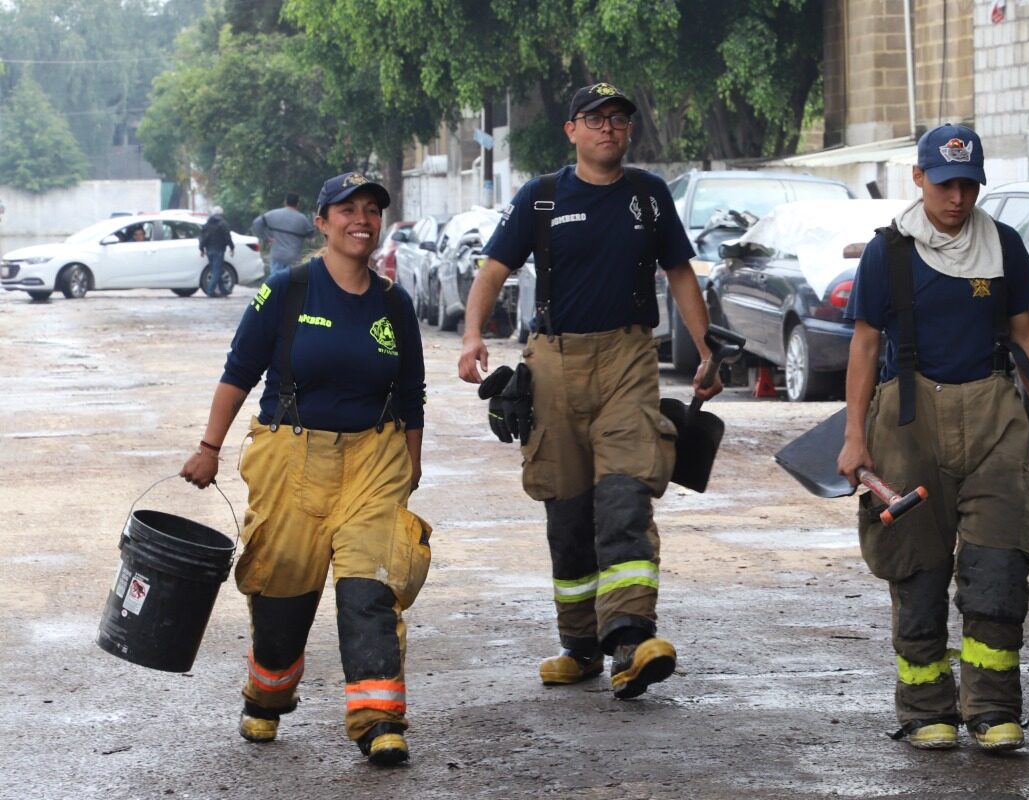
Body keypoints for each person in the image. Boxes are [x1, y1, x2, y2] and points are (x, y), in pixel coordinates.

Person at [457, 82, 719, 700]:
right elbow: (493, 269)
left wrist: (706, 349)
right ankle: (579, 648)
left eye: (619, 119)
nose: (609, 128)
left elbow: (680, 272)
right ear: (572, 130)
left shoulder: (649, 195)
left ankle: (630, 640)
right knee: (568, 511)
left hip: (629, 358)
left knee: (626, 495)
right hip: (554, 363)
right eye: (595, 119)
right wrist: (471, 335)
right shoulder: (542, 197)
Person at [179, 172, 428, 766]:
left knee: (372, 586)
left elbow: (412, 392)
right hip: (291, 456)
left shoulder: (394, 303)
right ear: (321, 222)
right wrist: (209, 446)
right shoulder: (287, 290)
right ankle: (266, 696)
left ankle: (379, 720)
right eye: (347, 210)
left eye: (371, 210)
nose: (361, 220)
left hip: (374, 460)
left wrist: (411, 463)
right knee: (281, 596)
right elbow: (239, 373)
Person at [835, 124, 1029, 752]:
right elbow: (864, 346)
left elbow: (1025, 335)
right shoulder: (889, 251)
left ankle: (993, 708)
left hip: (994, 418)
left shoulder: (1003, 245)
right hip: (909, 422)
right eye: (944, 184)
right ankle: (925, 708)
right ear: (918, 178)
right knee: (917, 567)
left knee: (999, 566)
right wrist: (854, 436)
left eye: (968, 185)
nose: (957, 198)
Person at [252, 194, 316, 276]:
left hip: (277, 256)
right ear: (298, 204)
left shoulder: (273, 214)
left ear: (285, 202)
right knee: (291, 282)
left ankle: (269, 286)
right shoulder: (302, 219)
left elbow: (256, 223)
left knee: (274, 280)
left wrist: (266, 238)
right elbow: (311, 235)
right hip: (294, 258)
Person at [199, 210, 234, 296]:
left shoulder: (207, 225)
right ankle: (210, 291)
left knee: (216, 271)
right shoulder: (222, 224)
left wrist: (202, 249)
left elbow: (202, 238)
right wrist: (232, 248)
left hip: (209, 251)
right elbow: (228, 237)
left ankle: (223, 290)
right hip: (219, 250)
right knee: (217, 271)